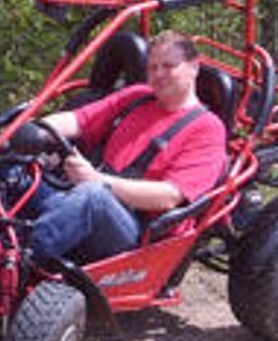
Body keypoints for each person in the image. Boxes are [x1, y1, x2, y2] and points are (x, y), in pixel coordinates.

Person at [28, 30, 227, 261]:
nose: (158, 74)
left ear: (194, 67)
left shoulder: (208, 129)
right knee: (13, 168)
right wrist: (30, 131)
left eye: (169, 66)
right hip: (79, 199)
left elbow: (170, 196)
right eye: (152, 67)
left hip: (135, 230)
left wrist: (98, 180)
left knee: (92, 197)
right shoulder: (137, 96)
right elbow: (77, 120)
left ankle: (24, 262)